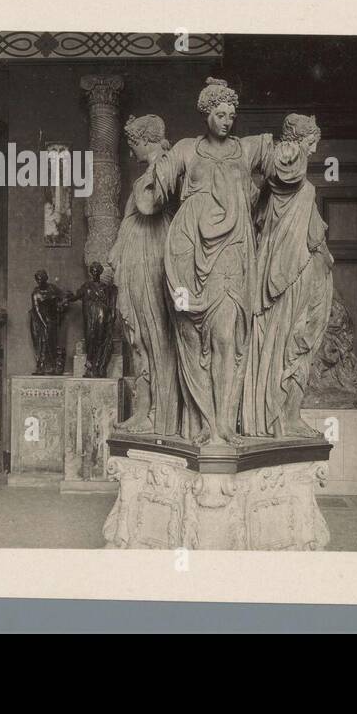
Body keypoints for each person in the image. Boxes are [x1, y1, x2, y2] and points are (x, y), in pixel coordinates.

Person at [134, 77, 277, 445]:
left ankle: (224, 424)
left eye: (231, 114)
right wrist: (154, 173)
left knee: (227, 337)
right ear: (206, 114)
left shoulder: (246, 150)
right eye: (219, 114)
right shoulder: (186, 149)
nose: (226, 121)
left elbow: (284, 168)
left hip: (231, 254)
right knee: (191, 336)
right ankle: (203, 423)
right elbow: (154, 194)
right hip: (186, 253)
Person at [242, 114, 335, 438]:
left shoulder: (289, 186)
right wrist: (287, 148)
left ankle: (282, 415)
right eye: (311, 142)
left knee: (290, 344)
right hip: (290, 274)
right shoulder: (291, 176)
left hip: (291, 271)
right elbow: (282, 166)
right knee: (292, 344)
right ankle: (283, 417)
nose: (314, 148)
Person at [109, 114, 179, 434]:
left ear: (145, 140)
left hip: (152, 255)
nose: (131, 151)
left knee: (156, 336)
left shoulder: (163, 166)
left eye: (133, 144)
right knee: (139, 338)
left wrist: (154, 170)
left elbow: (151, 205)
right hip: (137, 256)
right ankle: (144, 409)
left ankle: (159, 416)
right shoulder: (153, 169)